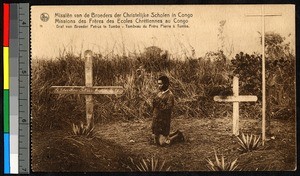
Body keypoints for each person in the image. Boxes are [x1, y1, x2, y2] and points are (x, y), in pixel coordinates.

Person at [151, 75, 184, 146]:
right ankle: (174, 133)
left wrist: (159, 104)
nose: (159, 86)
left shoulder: (170, 95)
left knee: (162, 143)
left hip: (164, 121)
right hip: (156, 120)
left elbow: (168, 109)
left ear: (166, 84)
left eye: (160, 84)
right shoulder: (159, 93)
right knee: (154, 139)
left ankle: (178, 135)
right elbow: (155, 107)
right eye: (158, 84)